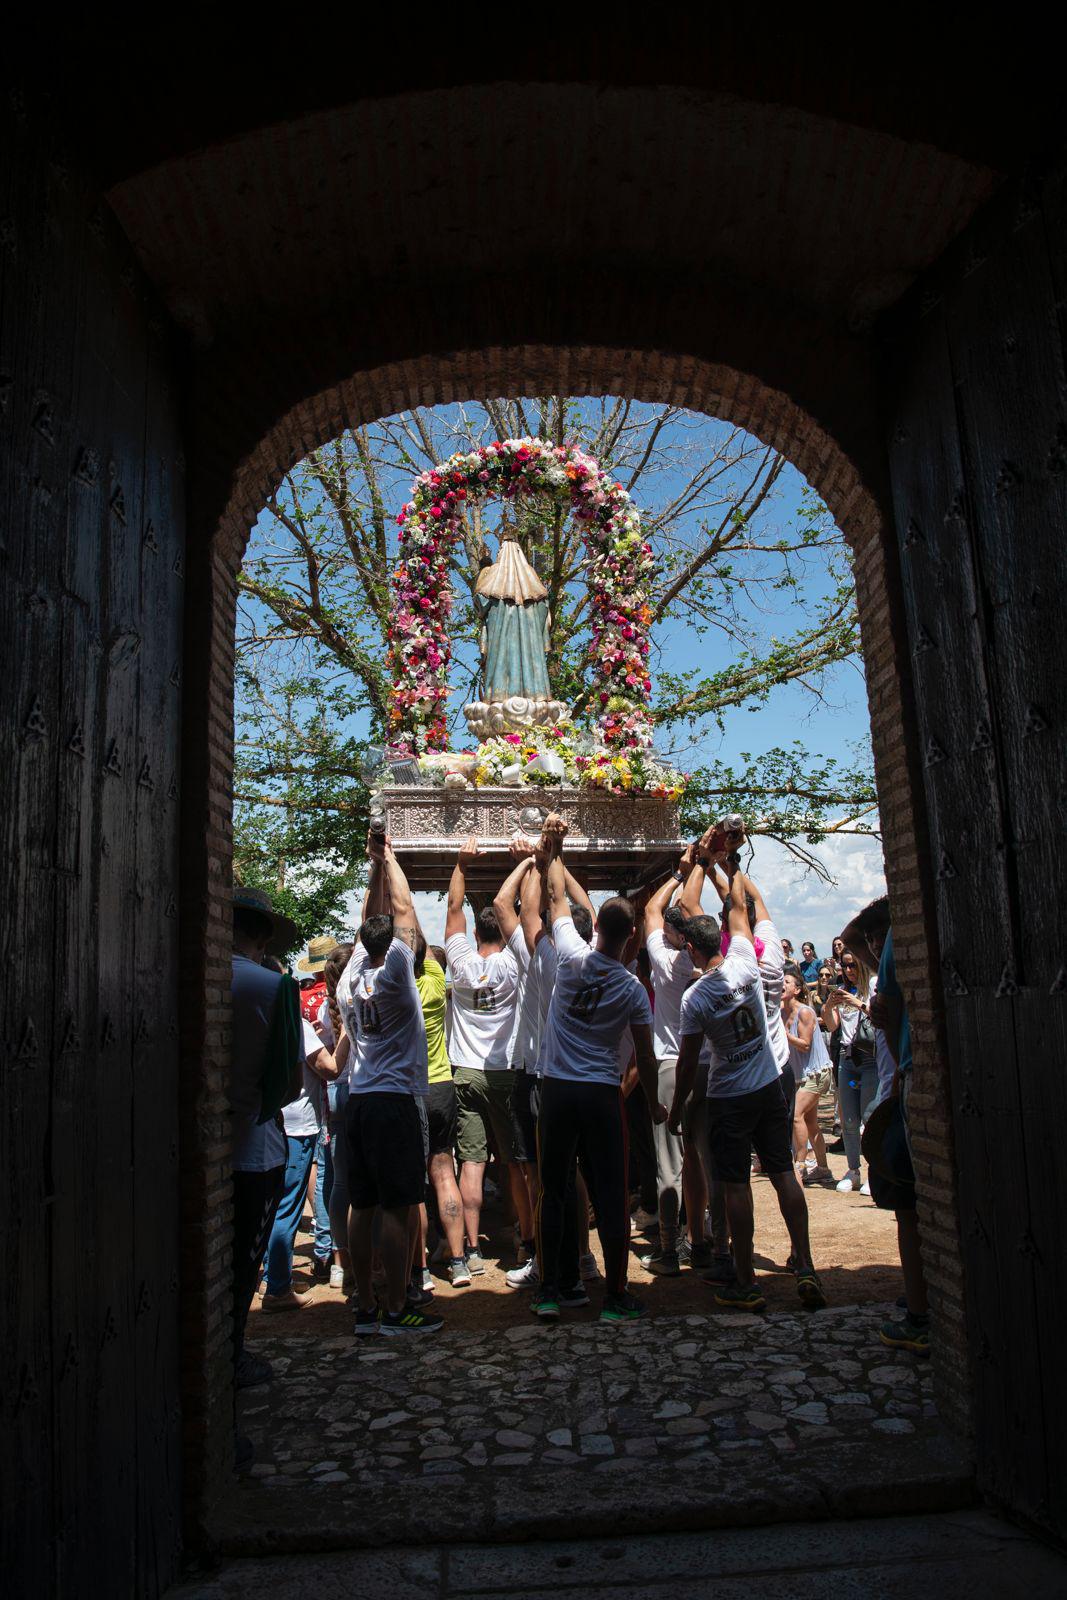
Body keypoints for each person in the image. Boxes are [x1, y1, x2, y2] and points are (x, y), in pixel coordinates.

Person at [669, 857, 825, 1313]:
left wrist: (680, 1105)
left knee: (735, 1184)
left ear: (692, 951)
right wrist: (728, 863)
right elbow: (739, 907)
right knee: (782, 1174)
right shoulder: (745, 961)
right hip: (768, 1084)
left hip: (729, 1095)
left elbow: (686, 1062)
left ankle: (744, 1279)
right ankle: (807, 1263)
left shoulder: (695, 997)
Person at [533, 814, 666, 1323]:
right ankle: (615, 1295)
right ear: (631, 935)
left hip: (559, 1090)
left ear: (600, 930)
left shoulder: (569, 956)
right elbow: (645, 1054)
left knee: (553, 1187)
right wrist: (652, 1100)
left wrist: (556, 850)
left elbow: (557, 900)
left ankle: (548, 1290)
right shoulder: (632, 990)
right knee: (611, 1193)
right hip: (601, 1094)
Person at [337, 835, 443, 1335]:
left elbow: (369, 923)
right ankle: (399, 1309)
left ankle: (363, 1308)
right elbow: (402, 909)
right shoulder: (399, 975)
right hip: (395, 1100)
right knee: (399, 1207)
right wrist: (393, 859)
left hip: (357, 1100)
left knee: (363, 1205)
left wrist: (374, 867)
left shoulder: (348, 979)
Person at [229, 886, 303, 1410]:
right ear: (261, 936)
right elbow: (289, 1086)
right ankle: (231, 1351)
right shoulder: (274, 989)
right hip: (254, 1143)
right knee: (241, 1260)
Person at [444, 835, 521, 1274]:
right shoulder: (514, 964)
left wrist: (460, 864)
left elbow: (453, 910)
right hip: (505, 1071)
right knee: (513, 1162)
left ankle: (469, 1251)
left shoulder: (461, 961)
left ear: (476, 933)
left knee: (471, 1163)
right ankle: (519, 1238)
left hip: (465, 1072)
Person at [870, 925, 930, 1355]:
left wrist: (900, 1071)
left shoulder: (899, 932)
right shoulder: (894, 929)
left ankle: (921, 1313)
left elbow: (886, 1010)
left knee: (908, 1203)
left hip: (915, 1073)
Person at [414, 931, 469, 1287]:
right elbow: (423, 946)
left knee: (414, 1185)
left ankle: (420, 1269)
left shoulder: (396, 991)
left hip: (411, 1090)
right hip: (442, 1084)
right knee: (445, 1172)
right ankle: (459, 1260)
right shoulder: (435, 983)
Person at [822, 949, 876, 1193]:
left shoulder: (872, 985)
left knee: (868, 1116)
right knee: (849, 1120)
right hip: (847, 1058)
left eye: (853, 965)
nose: (849, 971)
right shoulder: (844, 990)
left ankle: (874, 1172)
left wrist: (859, 1003)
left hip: (869, 1058)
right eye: (845, 966)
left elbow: (881, 1016)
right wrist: (829, 1006)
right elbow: (833, 1026)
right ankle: (853, 1170)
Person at [317, 943, 354, 1292]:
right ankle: (366, 1259)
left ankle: (340, 1262)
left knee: (339, 1181)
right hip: (359, 1090)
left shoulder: (324, 1011)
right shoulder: (359, 1002)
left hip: (335, 1095)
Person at [782, 969, 833, 1184]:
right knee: (811, 1123)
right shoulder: (780, 1012)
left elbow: (805, 1045)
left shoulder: (805, 1013)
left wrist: (784, 1035)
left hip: (817, 1073)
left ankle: (800, 1166)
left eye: (786, 981)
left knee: (796, 1116)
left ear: (797, 989)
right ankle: (823, 1169)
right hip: (800, 1075)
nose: (781, 985)